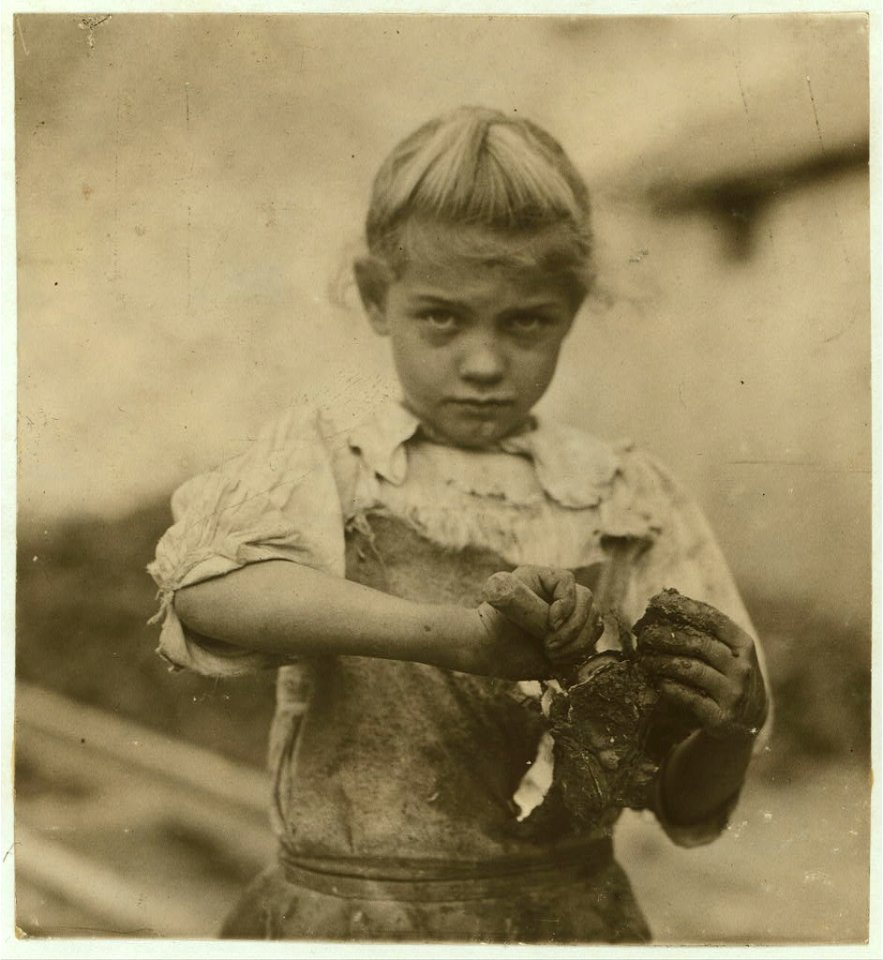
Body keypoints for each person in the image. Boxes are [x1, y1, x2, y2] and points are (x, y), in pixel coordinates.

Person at [147, 105, 769, 944]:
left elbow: (685, 805)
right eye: (441, 316)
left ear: (573, 306)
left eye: (526, 322)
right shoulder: (333, 458)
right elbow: (203, 594)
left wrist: (733, 723)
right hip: (348, 923)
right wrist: (454, 639)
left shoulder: (625, 495)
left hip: (564, 923)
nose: (482, 363)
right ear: (376, 297)